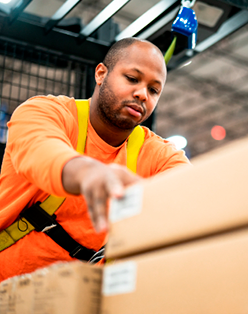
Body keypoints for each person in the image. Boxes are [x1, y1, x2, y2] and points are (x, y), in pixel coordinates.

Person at [0, 37, 190, 281]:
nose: (142, 94)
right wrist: (88, 171)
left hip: (75, 301)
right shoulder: (44, 112)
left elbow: (189, 191)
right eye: (132, 79)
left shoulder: (161, 156)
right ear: (101, 73)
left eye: (154, 90)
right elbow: (42, 150)